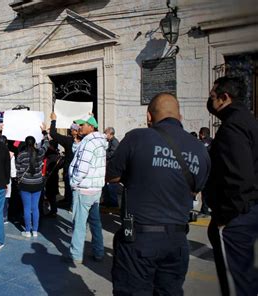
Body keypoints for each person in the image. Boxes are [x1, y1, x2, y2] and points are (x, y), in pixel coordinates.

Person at [106, 93, 210, 295]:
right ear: (180, 117)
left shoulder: (137, 137)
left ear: (148, 117)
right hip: (178, 242)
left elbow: (111, 176)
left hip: (139, 241)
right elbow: (196, 189)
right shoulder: (200, 149)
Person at [204, 76, 258, 296]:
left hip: (237, 218)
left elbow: (239, 177)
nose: (210, 101)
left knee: (236, 284)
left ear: (225, 98)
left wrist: (225, 218)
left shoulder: (233, 126)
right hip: (248, 211)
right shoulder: (247, 120)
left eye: (212, 97)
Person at [66, 115, 108, 264]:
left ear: (91, 126)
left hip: (83, 188)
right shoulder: (98, 142)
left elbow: (82, 167)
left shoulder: (89, 143)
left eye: (82, 125)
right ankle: (99, 251)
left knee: (79, 224)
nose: (79, 128)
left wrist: (73, 182)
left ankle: (76, 255)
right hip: (95, 188)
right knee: (96, 223)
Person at [16, 132, 49, 238]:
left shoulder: (21, 155)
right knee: (35, 207)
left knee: (26, 208)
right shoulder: (40, 153)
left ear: (25, 143)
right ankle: (35, 230)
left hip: (25, 183)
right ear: (35, 143)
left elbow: (18, 168)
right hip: (37, 183)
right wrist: (45, 134)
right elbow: (46, 145)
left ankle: (27, 230)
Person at [49, 113, 81, 209]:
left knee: (70, 186)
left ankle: (71, 203)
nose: (70, 130)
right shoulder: (85, 140)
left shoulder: (68, 140)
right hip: (79, 169)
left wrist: (54, 120)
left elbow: (53, 134)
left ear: (75, 131)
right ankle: (69, 201)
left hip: (70, 168)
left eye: (72, 129)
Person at [103, 127, 120, 207]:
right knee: (106, 185)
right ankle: (106, 201)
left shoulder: (114, 142)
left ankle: (113, 204)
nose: (104, 135)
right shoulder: (109, 141)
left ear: (111, 134)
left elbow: (111, 154)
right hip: (107, 167)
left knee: (112, 186)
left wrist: (102, 154)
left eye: (106, 133)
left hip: (112, 168)